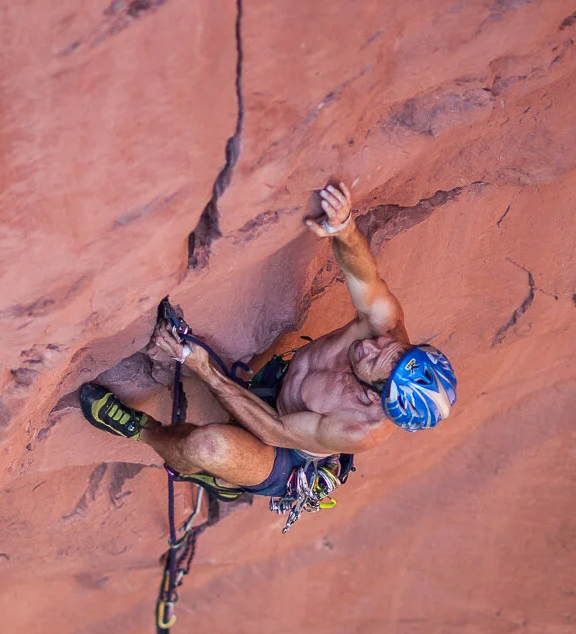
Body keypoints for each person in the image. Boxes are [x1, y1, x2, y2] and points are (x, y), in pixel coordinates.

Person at [80, 181, 457, 505]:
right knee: (282, 337)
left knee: (207, 448)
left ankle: (145, 432)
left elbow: (274, 429)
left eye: (377, 361)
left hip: (287, 449)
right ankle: (230, 474)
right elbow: (365, 275)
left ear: (375, 397)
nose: (372, 344)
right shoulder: (387, 329)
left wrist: (198, 365)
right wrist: (344, 229)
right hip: (284, 386)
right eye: (393, 348)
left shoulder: (359, 428)